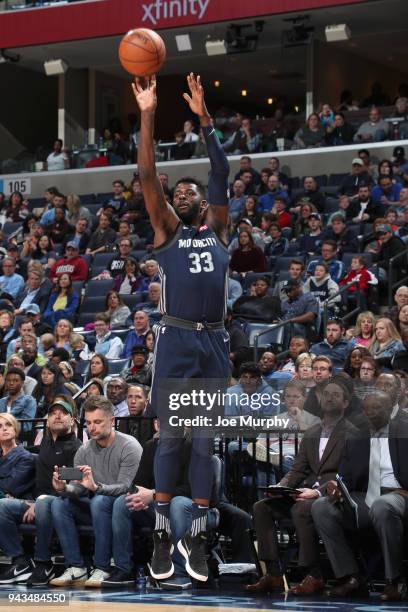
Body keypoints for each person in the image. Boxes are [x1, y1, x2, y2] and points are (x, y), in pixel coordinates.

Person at [132, 72, 231, 582]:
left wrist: (206, 121)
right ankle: (162, 533)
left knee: (205, 442)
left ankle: (196, 534)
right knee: (172, 439)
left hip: (213, 339)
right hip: (175, 337)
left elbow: (222, 172)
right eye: (183, 191)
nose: (189, 193)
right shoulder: (167, 230)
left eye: (195, 190)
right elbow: (149, 175)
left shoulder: (218, 229)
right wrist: (148, 116)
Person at [247, 378, 356, 595]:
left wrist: (316, 492)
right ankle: (274, 574)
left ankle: (314, 575)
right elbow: (298, 468)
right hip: (304, 491)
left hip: (332, 496)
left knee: (302, 508)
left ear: (345, 403)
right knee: (262, 507)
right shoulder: (313, 431)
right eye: (326, 394)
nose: (330, 398)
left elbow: (347, 474)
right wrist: (281, 486)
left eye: (336, 395)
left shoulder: (352, 432)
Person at [311, 392, 408, 601]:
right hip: (365, 496)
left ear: (390, 407)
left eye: (377, 408)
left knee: (383, 505)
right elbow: (345, 473)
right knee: (321, 506)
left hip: (399, 493)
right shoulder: (357, 436)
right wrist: (337, 486)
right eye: (367, 409)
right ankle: (351, 578)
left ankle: (394, 581)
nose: (371, 413)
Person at [49, 396, 142, 588]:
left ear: (112, 421)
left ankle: (104, 567)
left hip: (131, 506)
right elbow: (79, 486)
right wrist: (64, 487)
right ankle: (76, 567)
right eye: (89, 422)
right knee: (58, 502)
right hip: (98, 507)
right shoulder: (83, 450)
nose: (92, 428)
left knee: (101, 500)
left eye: (98, 422)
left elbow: (127, 486)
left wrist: (97, 488)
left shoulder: (129, 446)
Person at [0, 397, 81, 586]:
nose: (57, 416)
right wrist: (31, 501)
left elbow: (72, 484)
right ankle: (20, 561)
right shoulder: (46, 443)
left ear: (73, 420)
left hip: (64, 504)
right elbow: (41, 481)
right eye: (52, 413)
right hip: (36, 502)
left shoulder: (77, 449)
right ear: (47, 421)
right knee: (2, 506)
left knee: (45, 502)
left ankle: (44, 562)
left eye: (63, 413)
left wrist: (40, 500)